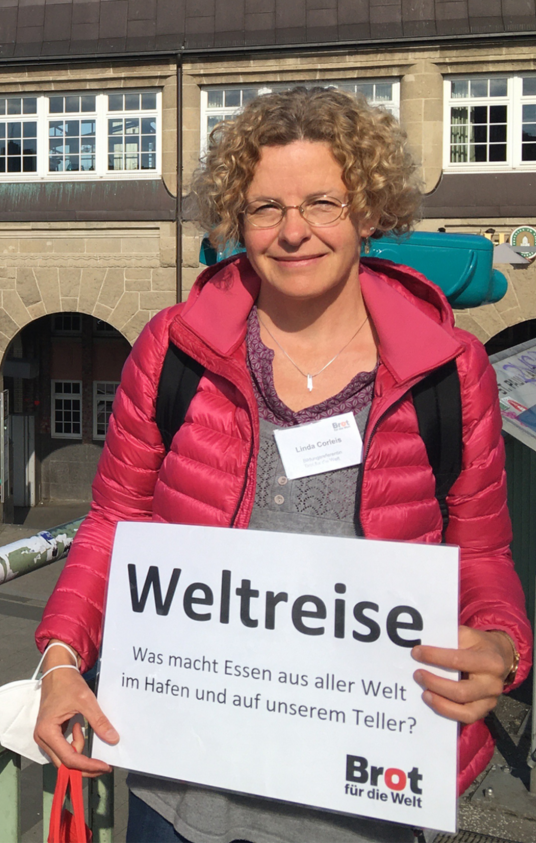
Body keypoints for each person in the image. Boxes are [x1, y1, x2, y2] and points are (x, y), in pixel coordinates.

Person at [34, 87, 532, 843]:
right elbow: (115, 522)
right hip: (180, 786)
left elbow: (484, 552)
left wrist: (502, 645)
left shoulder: (449, 370)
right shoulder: (174, 349)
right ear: (239, 218)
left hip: (367, 794)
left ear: (368, 212)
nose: (293, 232)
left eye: (323, 204)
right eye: (267, 208)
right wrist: (62, 660)